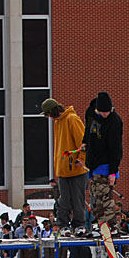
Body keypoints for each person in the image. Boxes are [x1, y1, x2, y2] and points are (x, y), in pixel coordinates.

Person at [41, 99, 88, 236]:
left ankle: (79, 224)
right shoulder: (58, 122)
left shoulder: (72, 119)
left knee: (78, 199)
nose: (49, 118)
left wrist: (82, 159)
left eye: (49, 114)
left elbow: (84, 142)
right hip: (63, 171)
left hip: (76, 169)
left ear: (53, 111)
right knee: (63, 200)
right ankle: (63, 224)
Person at [83, 92, 124, 231]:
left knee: (104, 195)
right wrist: (85, 142)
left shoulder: (114, 122)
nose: (105, 114)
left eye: (108, 112)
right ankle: (99, 223)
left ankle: (111, 224)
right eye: (103, 112)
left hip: (107, 164)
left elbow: (116, 148)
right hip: (94, 163)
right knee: (95, 196)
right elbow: (88, 130)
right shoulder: (91, 114)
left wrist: (113, 171)